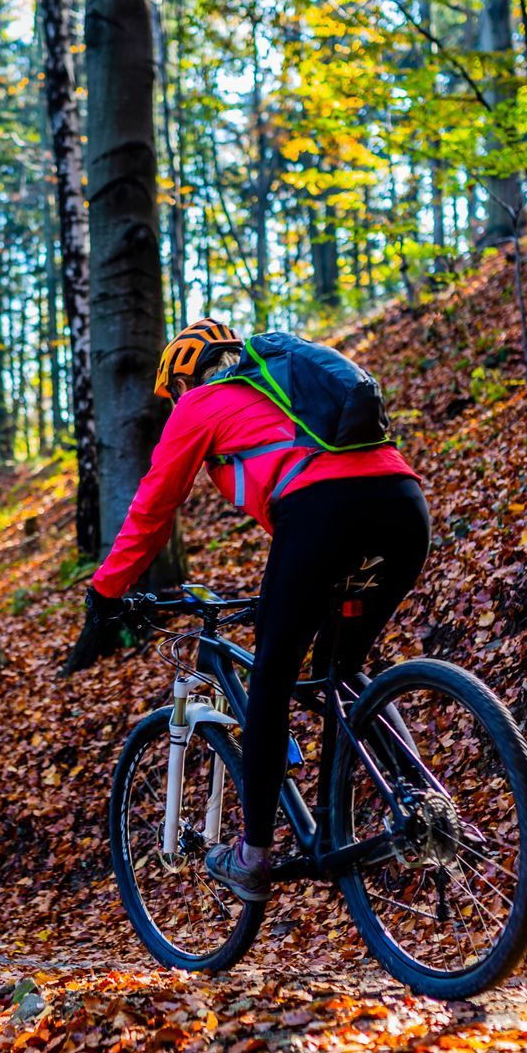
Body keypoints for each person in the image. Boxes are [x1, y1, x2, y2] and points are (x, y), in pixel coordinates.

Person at [84, 318, 429, 902]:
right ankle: (422, 799)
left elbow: (153, 508)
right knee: (339, 673)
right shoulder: (281, 389)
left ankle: (253, 856)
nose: (176, 406)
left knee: (271, 677)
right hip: (403, 508)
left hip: (325, 518)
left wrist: (106, 592)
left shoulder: (202, 405)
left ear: (183, 381)